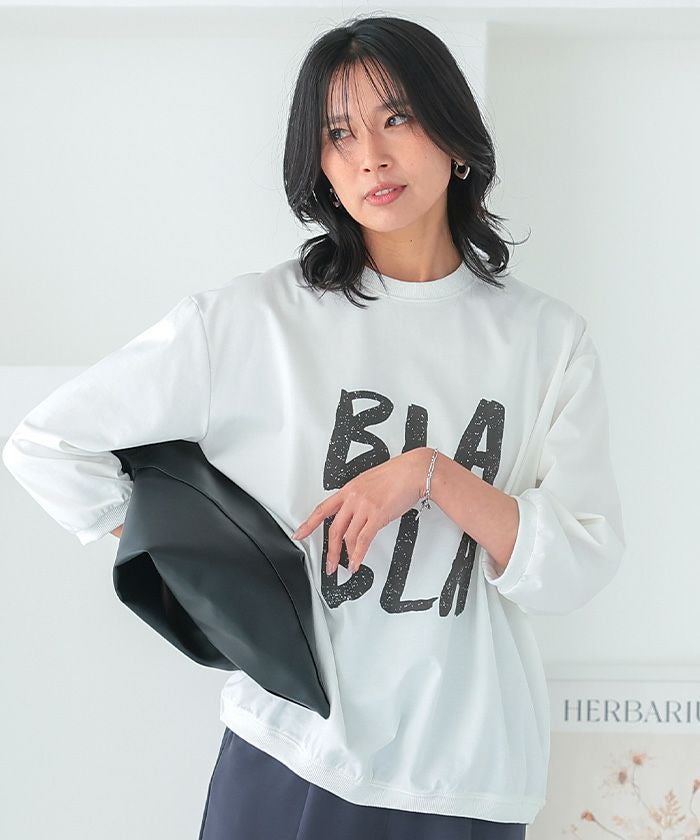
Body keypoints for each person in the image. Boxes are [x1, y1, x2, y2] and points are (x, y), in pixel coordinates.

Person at [2, 14, 626, 840]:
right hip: (294, 752)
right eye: (338, 134)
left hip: (470, 776)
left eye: (397, 117)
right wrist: (200, 567)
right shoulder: (254, 321)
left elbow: (575, 565)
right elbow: (50, 445)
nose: (371, 156)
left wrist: (430, 475)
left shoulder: (546, 341)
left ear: (455, 137)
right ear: (321, 167)